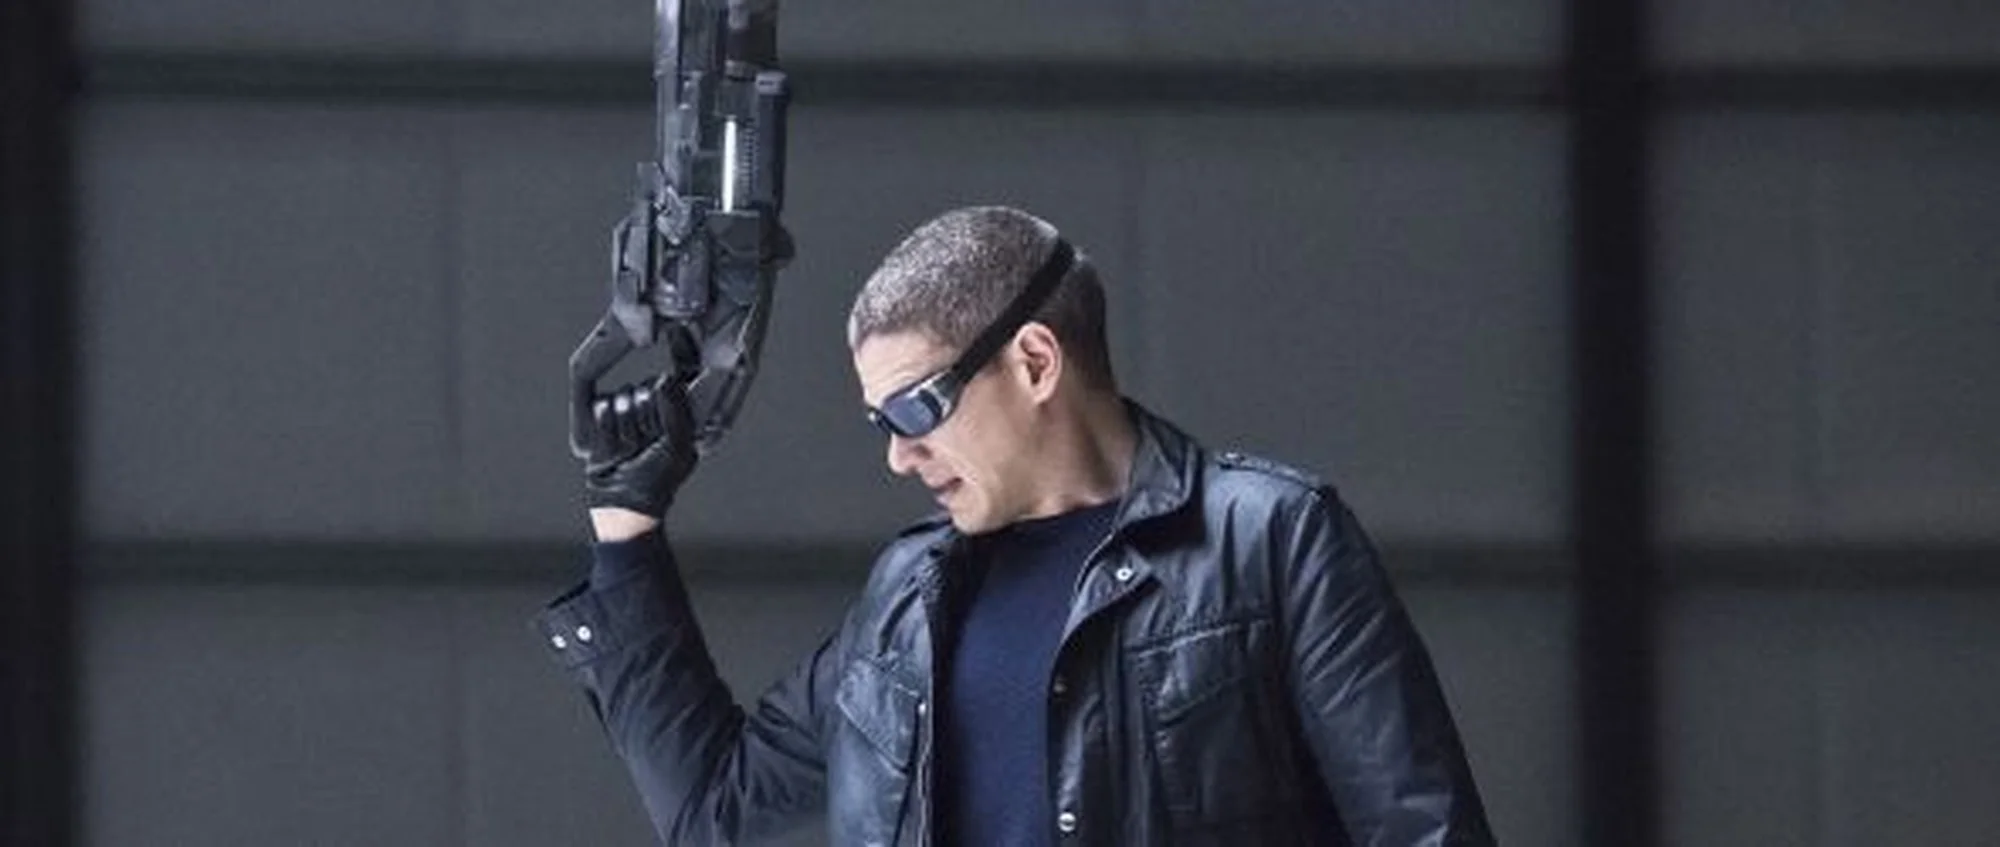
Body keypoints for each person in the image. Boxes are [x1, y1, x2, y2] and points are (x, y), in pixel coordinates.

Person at [537, 206, 1496, 845]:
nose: (899, 455)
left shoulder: (1269, 542)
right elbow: (714, 805)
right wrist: (626, 520)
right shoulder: (907, 603)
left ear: (1035, 361)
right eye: (879, 424)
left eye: (915, 409)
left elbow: (1424, 831)